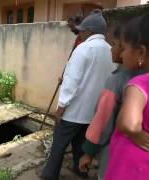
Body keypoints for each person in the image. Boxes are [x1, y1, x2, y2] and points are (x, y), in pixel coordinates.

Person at [41, 9, 115, 180]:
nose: (79, 32)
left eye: (82, 30)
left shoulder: (83, 49)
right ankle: (80, 170)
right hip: (93, 112)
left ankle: (49, 175)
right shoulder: (110, 50)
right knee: (81, 143)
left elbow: (72, 83)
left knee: (59, 144)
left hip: (74, 111)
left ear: (89, 31)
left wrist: (61, 108)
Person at [79, 21, 145, 179]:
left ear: (140, 52)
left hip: (117, 156)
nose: (114, 50)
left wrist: (89, 152)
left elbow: (102, 121)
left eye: (117, 44)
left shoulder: (118, 81)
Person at [105, 14, 149, 180]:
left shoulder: (139, 83)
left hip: (130, 168)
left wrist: (136, 135)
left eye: (124, 48)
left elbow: (129, 124)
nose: (122, 54)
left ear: (141, 52)